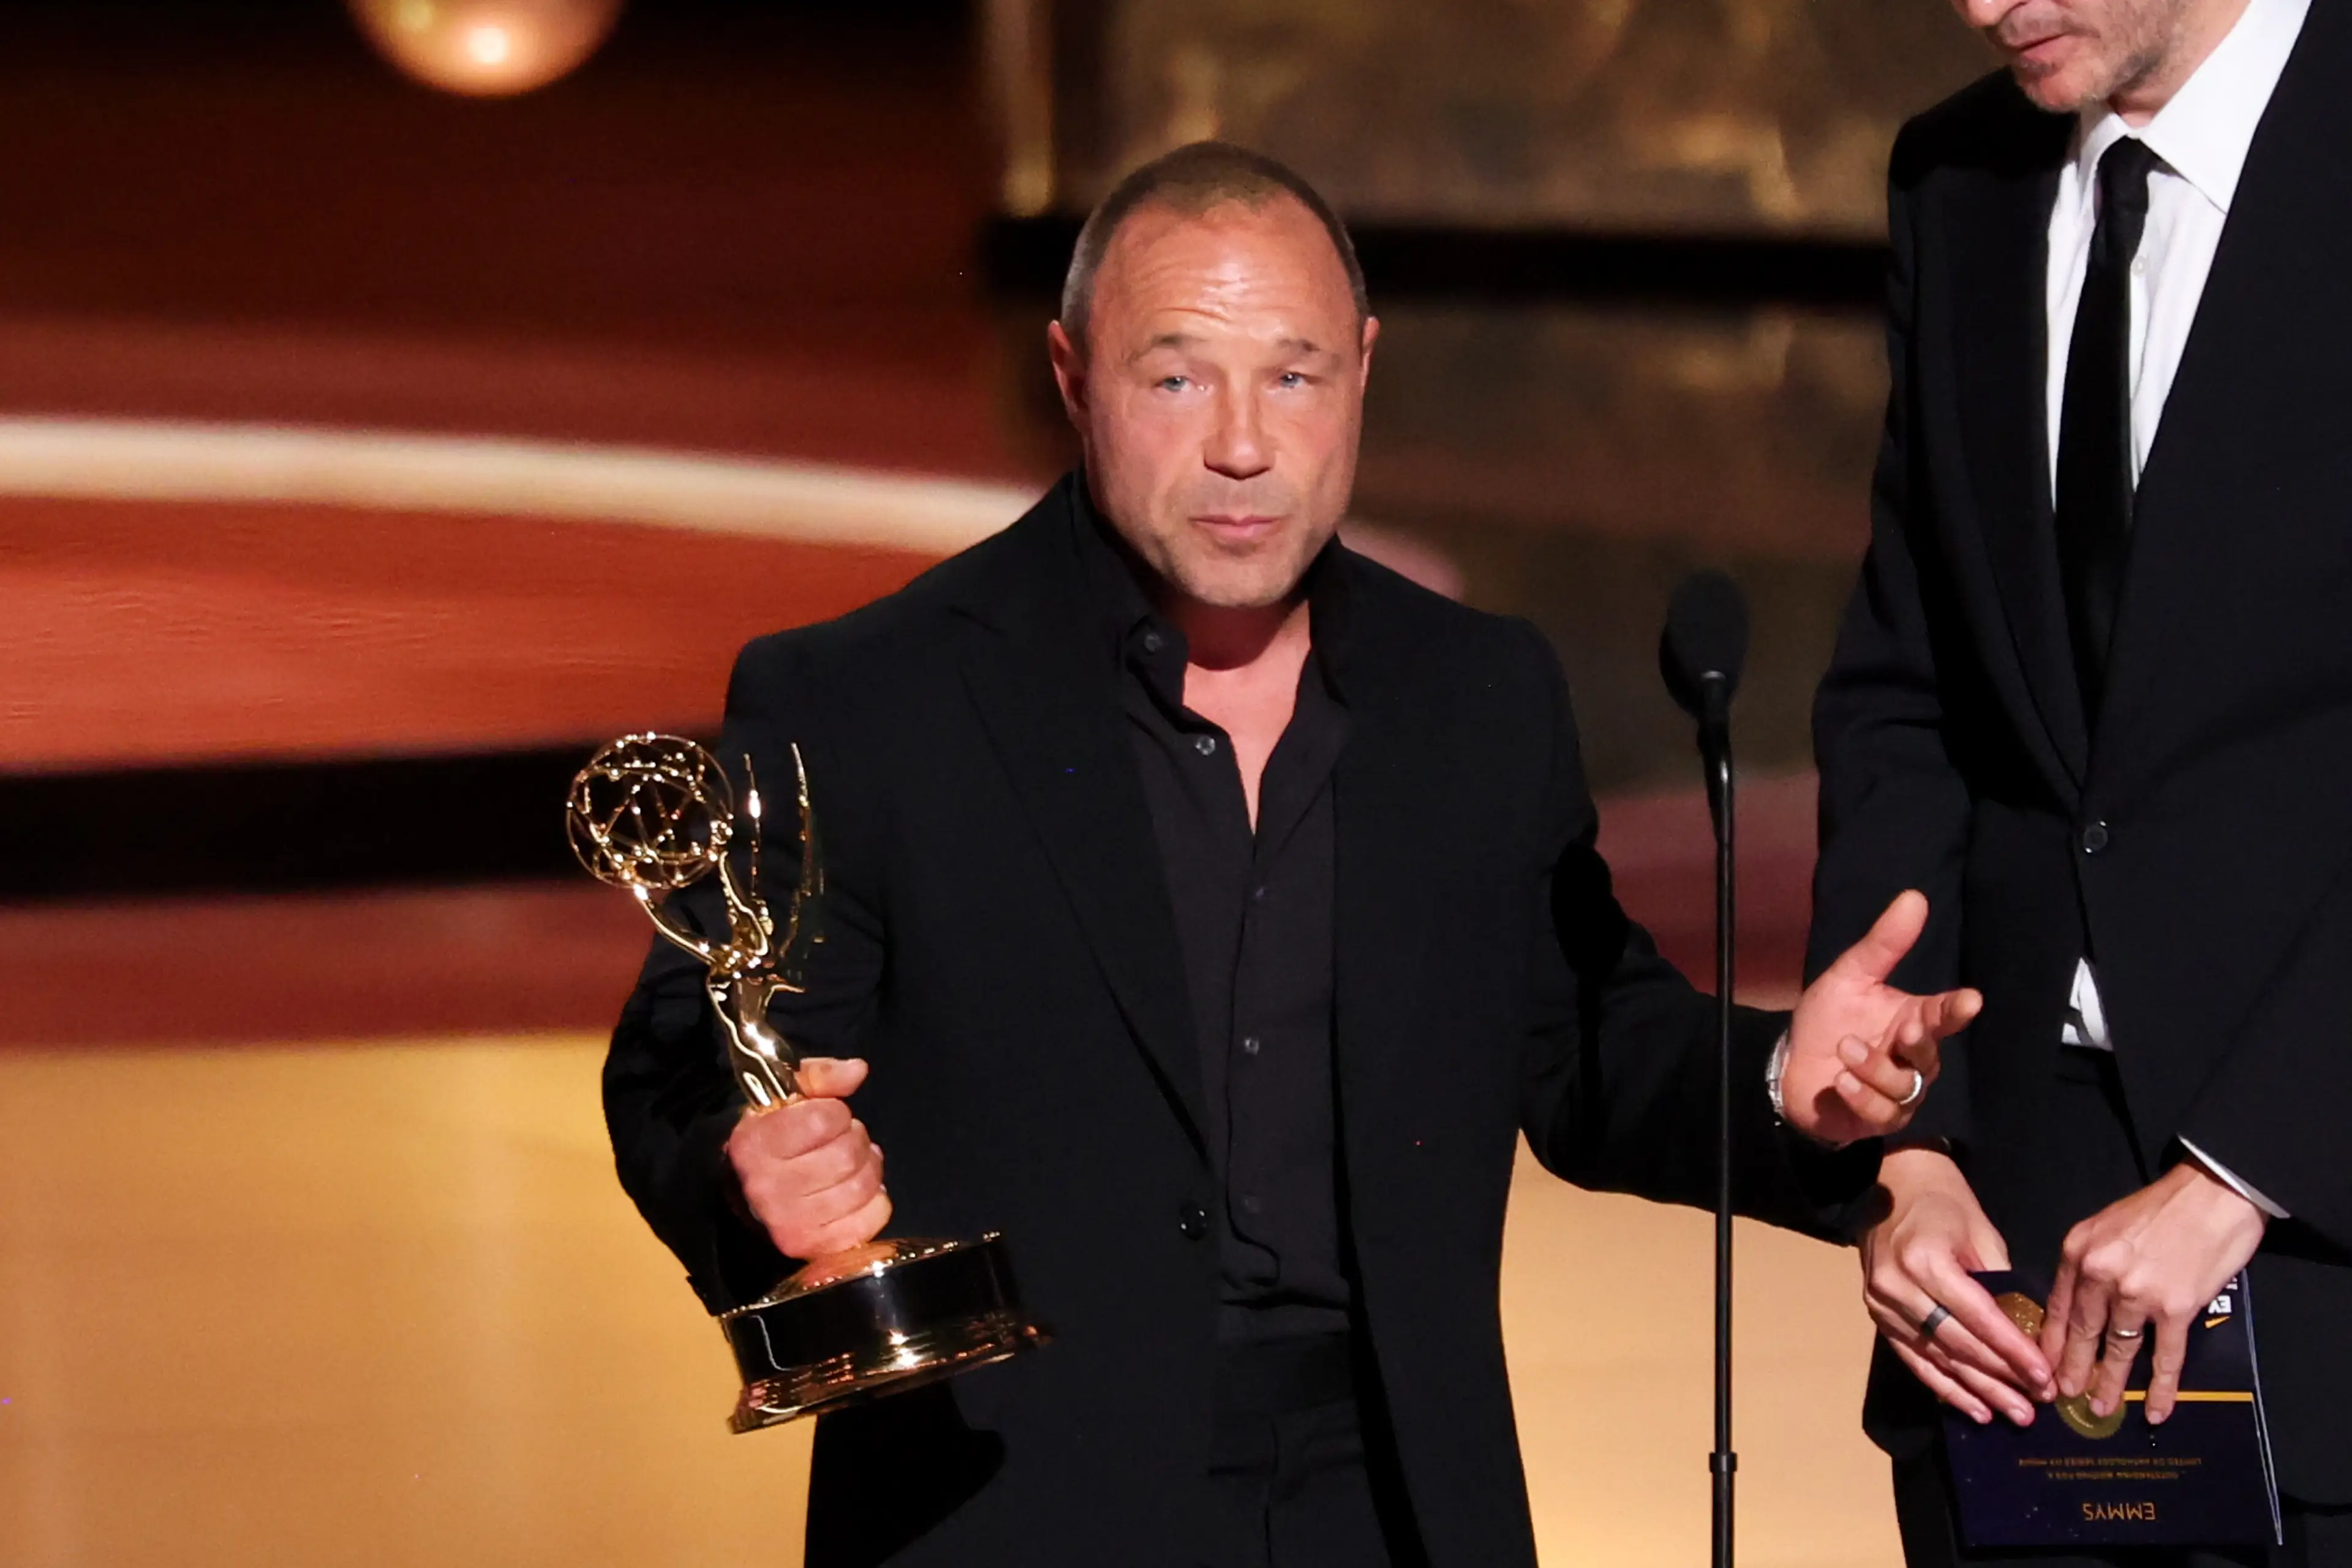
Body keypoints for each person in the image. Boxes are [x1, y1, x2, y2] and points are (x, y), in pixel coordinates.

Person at [609, 140, 1976, 1568]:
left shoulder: (1474, 692)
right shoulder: (870, 699)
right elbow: (688, 1059)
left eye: (1297, 375)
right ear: (1074, 378)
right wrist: (749, 1171)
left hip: (1386, 1502)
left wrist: (1785, 1082)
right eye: (1178, 377)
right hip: (1011, 1502)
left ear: (1365, 373)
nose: (1244, 444)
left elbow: (1580, 1045)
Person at [1809, 0, 2352, 1561]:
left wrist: (2246, 1170)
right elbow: (1909, 685)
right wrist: (1908, 1141)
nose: (1984, 6)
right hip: (2007, 1270)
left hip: (2317, 1233)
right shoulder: (1956, 178)